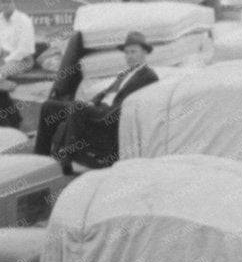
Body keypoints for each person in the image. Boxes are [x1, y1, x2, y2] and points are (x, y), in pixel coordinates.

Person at [47, 31, 160, 171]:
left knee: (76, 107)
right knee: (50, 106)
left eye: (133, 52)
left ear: (144, 53)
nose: (129, 56)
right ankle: (44, 154)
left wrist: (98, 109)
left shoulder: (148, 76)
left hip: (110, 114)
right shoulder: (125, 73)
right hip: (100, 107)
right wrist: (92, 102)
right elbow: (106, 92)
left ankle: (67, 160)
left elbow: (129, 102)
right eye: (127, 53)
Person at [0, 0, 40, 75]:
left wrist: (5, 61)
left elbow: (24, 49)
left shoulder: (24, 20)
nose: (6, 5)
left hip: (22, 59)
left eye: (9, 1)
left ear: (15, 2)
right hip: (2, 57)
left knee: (0, 72)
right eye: (3, 2)